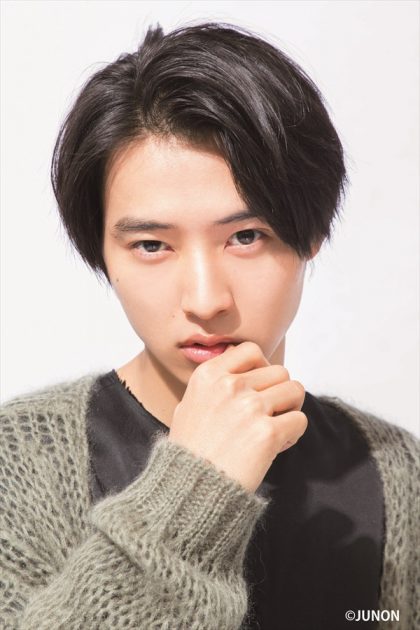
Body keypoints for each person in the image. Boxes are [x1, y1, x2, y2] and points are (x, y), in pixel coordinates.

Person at [0, 21, 418, 630]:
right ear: (103, 253)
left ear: (312, 232)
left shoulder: (394, 472)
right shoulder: (19, 463)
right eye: (151, 245)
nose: (205, 299)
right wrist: (196, 491)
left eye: (245, 237)